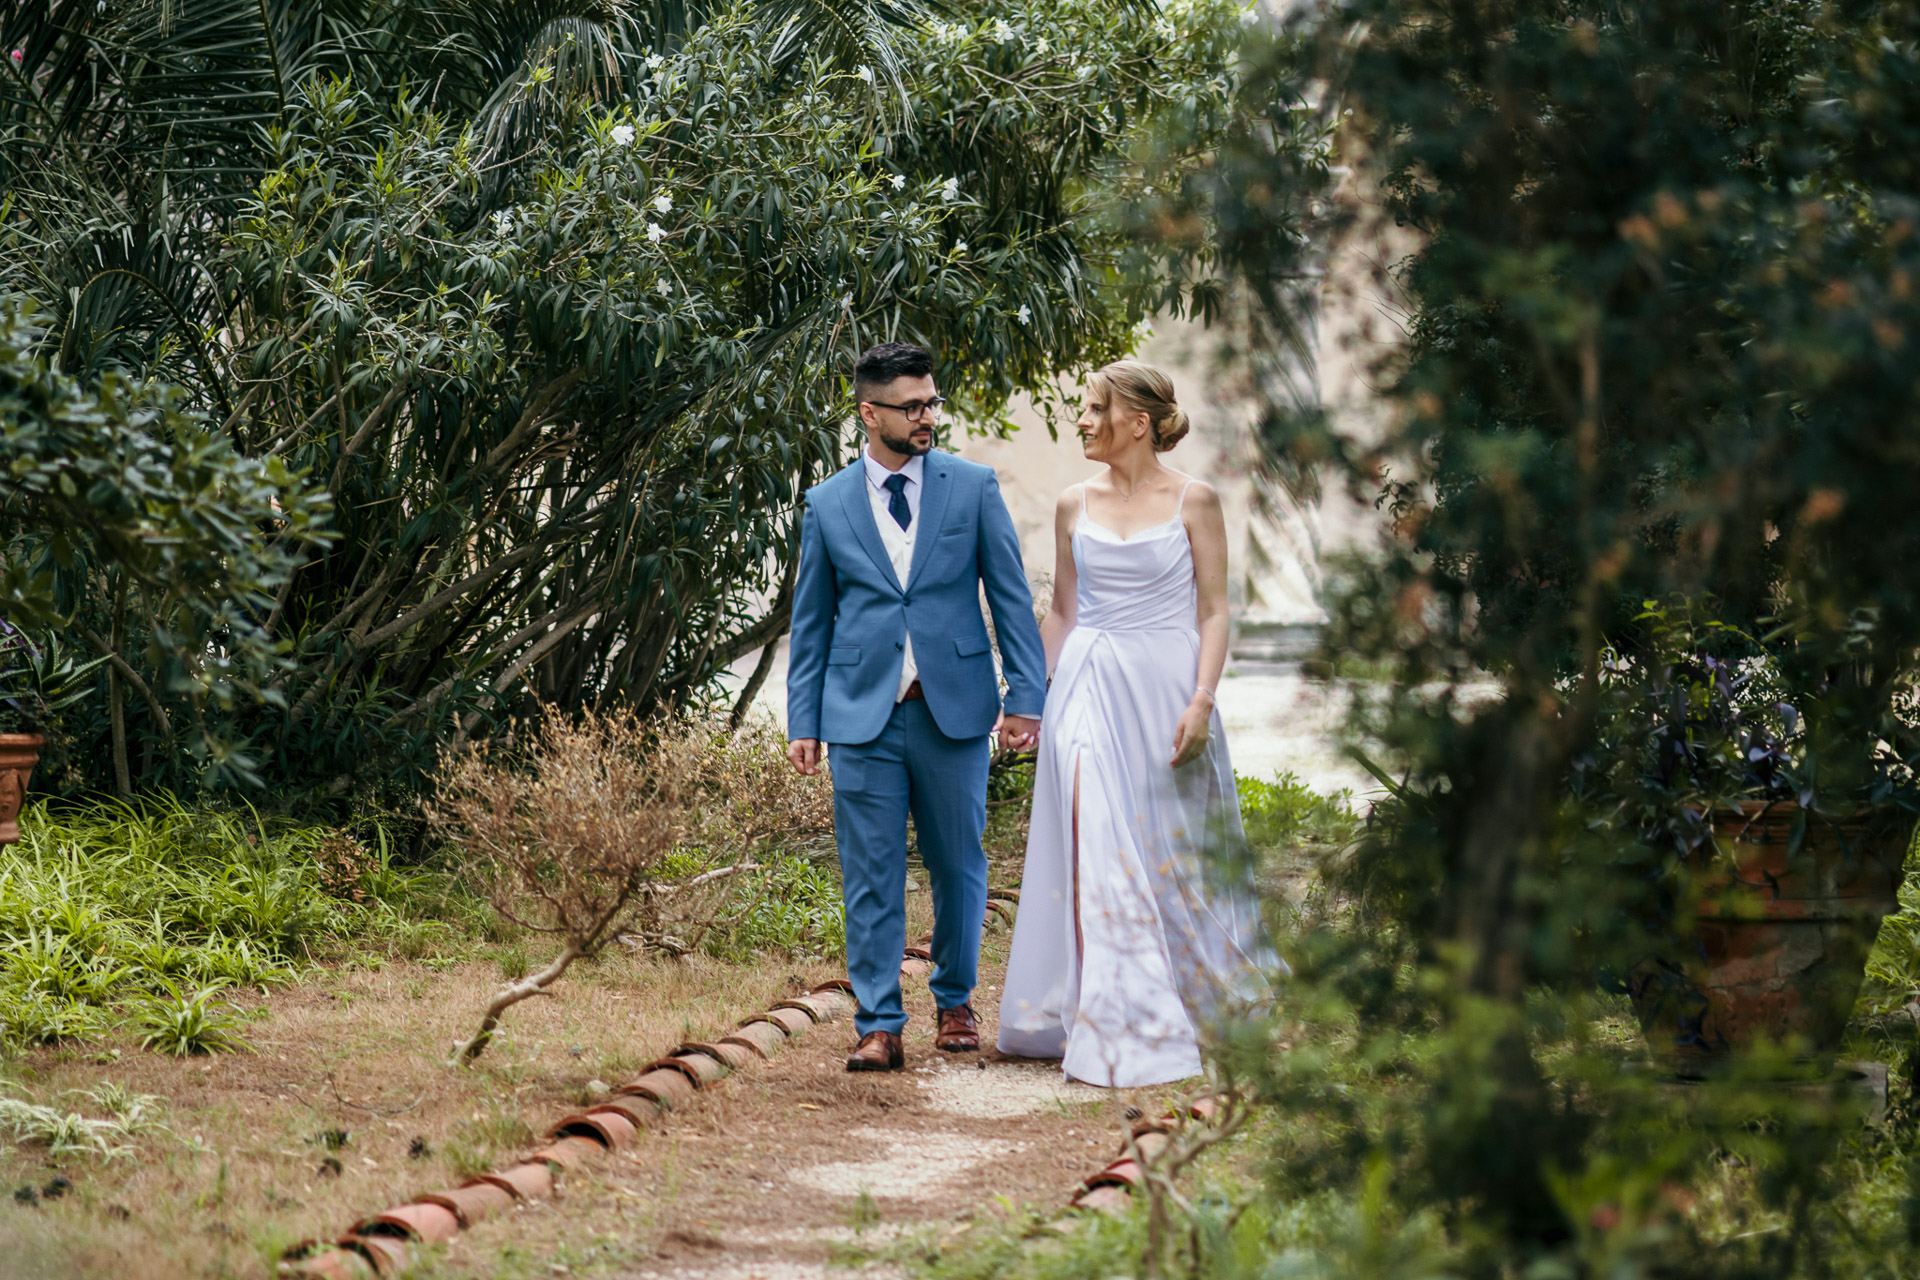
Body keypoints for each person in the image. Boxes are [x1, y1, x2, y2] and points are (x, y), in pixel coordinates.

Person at [996, 360, 1279, 1087]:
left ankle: (1192, 994)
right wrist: (1024, 699)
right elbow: (1064, 612)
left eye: (1095, 408)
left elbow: (1214, 611)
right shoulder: (1072, 504)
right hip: (1087, 683)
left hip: (1166, 689)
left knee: (1168, 847)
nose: (1082, 420)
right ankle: (1113, 1017)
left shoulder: (1195, 500)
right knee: (1095, 833)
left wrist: (1202, 700)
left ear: (1139, 422)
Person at [786, 341, 1047, 1072]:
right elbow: (812, 623)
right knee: (869, 873)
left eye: (931, 402)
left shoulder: (974, 487)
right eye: (911, 407)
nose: (927, 416)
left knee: (959, 865)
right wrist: (804, 720)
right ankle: (879, 1023)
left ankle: (955, 1000)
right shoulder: (828, 502)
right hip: (860, 715)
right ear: (869, 413)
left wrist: (1026, 697)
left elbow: (1011, 600)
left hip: (952, 709)